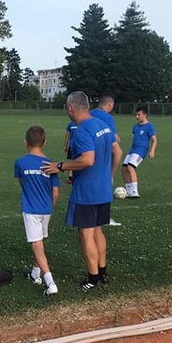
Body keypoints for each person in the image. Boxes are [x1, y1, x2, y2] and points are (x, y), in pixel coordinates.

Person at [42, 91, 120, 291]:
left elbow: (87, 160)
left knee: (86, 233)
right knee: (97, 229)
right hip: (103, 189)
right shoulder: (103, 125)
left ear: (70, 109)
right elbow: (117, 151)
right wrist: (109, 175)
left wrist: (61, 166)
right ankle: (102, 272)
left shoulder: (82, 131)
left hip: (87, 191)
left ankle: (92, 278)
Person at [15, 125, 60, 295]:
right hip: (46, 209)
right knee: (39, 241)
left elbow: (22, 183)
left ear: (25, 142)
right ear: (44, 142)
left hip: (31, 209)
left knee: (36, 244)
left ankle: (50, 282)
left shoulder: (20, 163)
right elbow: (55, 191)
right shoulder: (51, 164)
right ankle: (35, 274)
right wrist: (50, 206)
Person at [90, 94, 122, 225]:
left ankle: (90, 216)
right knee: (105, 185)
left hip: (89, 153)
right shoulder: (107, 118)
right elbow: (114, 140)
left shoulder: (90, 113)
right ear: (109, 105)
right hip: (103, 155)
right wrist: (112, 174)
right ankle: (104, 218)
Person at [122, 105, 157, 198]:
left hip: (141, 150)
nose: (137, 117)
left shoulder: (149, 126)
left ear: (145, 115)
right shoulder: (135, 126)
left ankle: (135, 191)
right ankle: (129, 191)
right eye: (136, 115)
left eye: (139, 114)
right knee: (124, 168)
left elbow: (154, 140)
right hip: (132, 150)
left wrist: (152, 151)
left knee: (130, 167)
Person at [62, 119, 77, 184]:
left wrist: (66, 145)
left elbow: (67, 136)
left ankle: (70, 177)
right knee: (78, 160)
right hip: (78, 146)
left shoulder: (70, 124)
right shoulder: (81, 123)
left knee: (71, 161)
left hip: (71, 145)